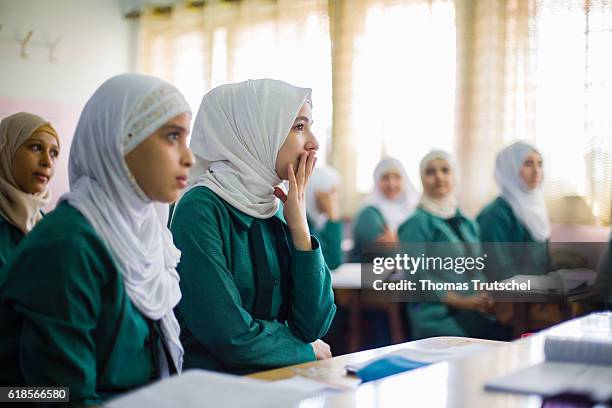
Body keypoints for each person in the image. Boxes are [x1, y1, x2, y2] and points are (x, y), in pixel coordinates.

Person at [0, 73, 193, 405]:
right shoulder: (65, 245)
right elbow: (56, 397)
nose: (188, 158)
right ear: (118, 141)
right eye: (172, 136)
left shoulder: (150, 236)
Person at [171, 79, 336, 374]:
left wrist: (300, 228)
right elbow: (230, 336)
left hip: (280, 380)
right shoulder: (200, 209)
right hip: (216, 391)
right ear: (257, 131)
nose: (313, 142)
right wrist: (304, 350)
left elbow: (315, 324)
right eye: (299, 127)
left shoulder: (278, 206)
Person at [398, 150, 509, 340]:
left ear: (455, 176)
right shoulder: (415, 224)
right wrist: (462, 301)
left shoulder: (467, 221)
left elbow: (476, 269)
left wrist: (486, 298)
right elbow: (417, 279)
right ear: (421, 179)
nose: (439, 177)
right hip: (437, 316)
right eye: (430, 172)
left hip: (475, 312)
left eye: (445, 170)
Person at [477, 141, 551, 281]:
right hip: (508, 296)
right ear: (509, 169)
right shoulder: (494, 215)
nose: (536, 171)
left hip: (538, 292)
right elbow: (499, 272)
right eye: (528, 163)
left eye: (539, 164)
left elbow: (545, 265)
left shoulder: (537, 210)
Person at [0, 112, 59, 269]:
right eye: (36, 147)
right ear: (5, 152)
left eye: (54, 153)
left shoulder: (49, 226)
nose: (47, 161)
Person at [350, 157, 418, 261]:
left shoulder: (412, 209)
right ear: (377, 180)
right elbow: (383, 254)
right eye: (385, 178)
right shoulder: (369, 213)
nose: (391, 184)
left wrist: (397, 243)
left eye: (397, 177)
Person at [305, 165, 343, 270]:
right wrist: (333, 217)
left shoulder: (316, 220)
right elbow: (331, 261)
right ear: (315, 192)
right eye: (332, 192)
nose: (335, 199)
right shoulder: (304, 222)